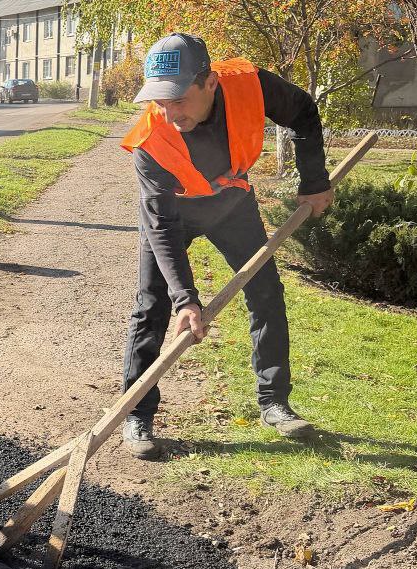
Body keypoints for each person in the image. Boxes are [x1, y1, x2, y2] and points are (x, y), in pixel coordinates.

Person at [119, 34, 333, 459]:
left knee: (267, 294)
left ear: (210, 83)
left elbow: (305, 112)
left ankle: (274, 403)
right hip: (175, 214)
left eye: (178, 98)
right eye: (160, 100)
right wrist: (187, 299)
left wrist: (314, 182)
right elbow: (160, 226)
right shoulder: (149, 141)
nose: (169, 111)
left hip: (233, 204)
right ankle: (136, 412)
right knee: (152, 305)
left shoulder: (250, 85)